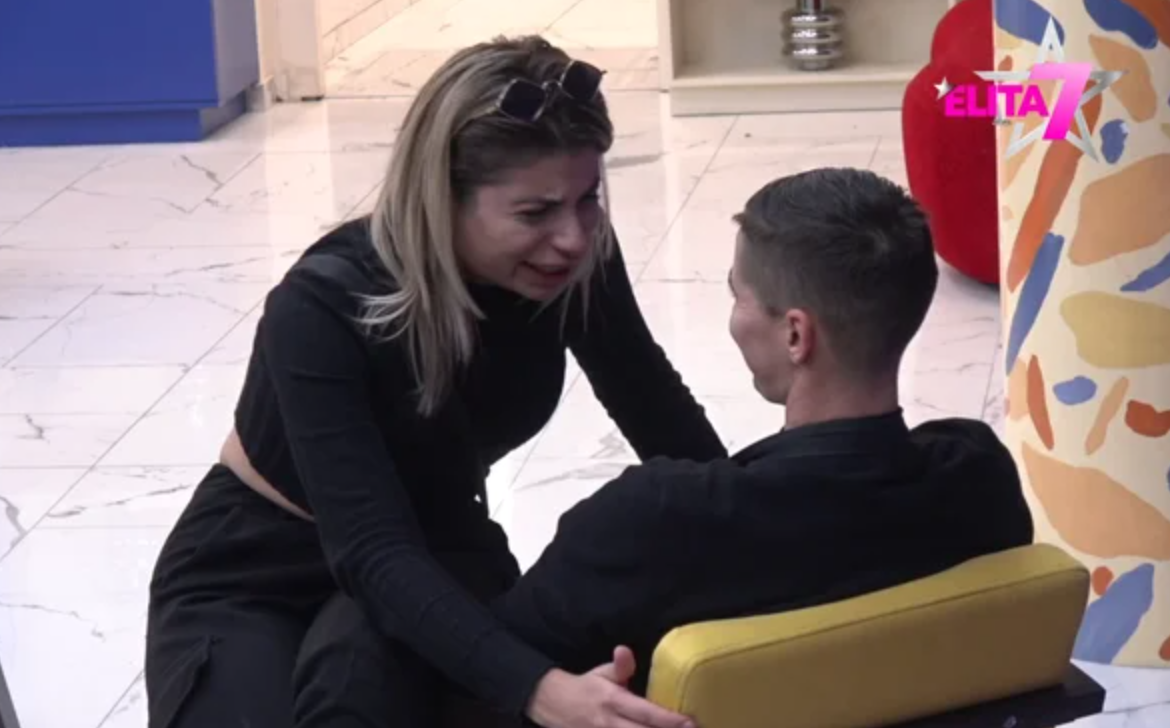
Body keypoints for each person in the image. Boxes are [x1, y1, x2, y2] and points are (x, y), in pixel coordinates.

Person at [312, 167, 1036, 725]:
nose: (733, 318)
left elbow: (475, 677)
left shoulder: (649, 524)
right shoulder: (977, 480)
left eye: (737, 295)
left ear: (795, 334)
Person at [144, 35, 727, 728]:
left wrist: (765, 524)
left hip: (437, 545)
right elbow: (370, 548)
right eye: (535, 212)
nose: (573, 236)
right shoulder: (321, 305)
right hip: (254, 566)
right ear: (440, 199)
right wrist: (542, 688)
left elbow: (653, 406)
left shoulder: (576, 259)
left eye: (587, 199)